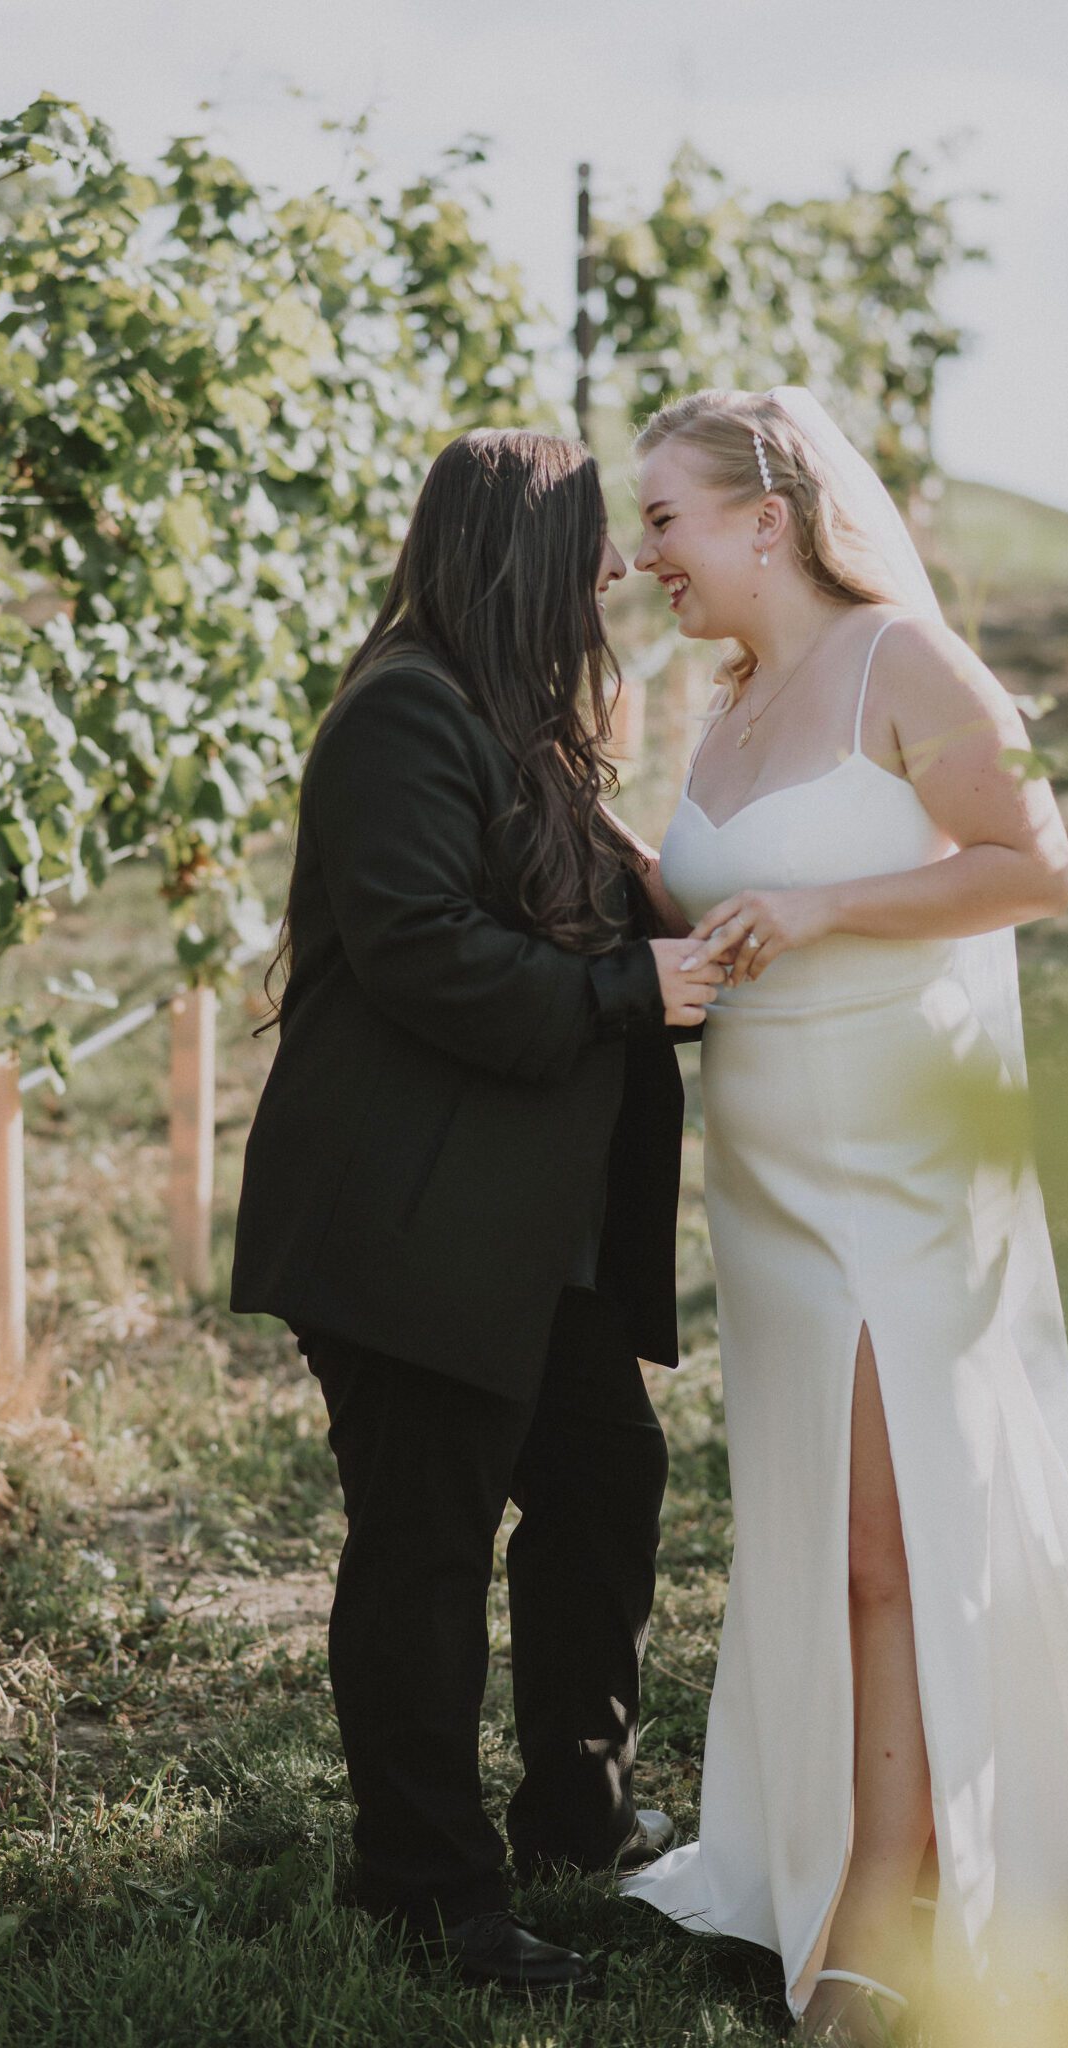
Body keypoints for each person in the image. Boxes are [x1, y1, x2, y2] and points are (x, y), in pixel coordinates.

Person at [618, 388, 1068, 2041]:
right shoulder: (729, 700)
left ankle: (890, 1901)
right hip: (764, 1179)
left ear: (765, 519)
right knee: (818, 1529)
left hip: (901, 1162)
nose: (647, 556)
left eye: (666, 519)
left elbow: (1030, 864)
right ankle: (828, 1833)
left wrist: (825, 904)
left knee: (882, 1538)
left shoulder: (904, 659)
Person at [230, 429, 729, 1989]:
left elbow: (543, 905)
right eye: (591, 541)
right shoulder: (398, 717)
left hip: (514, 1227)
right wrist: (624, 987)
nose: (615, 570)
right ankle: (427, 1898)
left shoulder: (511, 719)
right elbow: (424, 954)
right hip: (403, 1217)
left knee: (601, 1485)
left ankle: (576, 1815)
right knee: (425, 1546)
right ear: (520, 556)